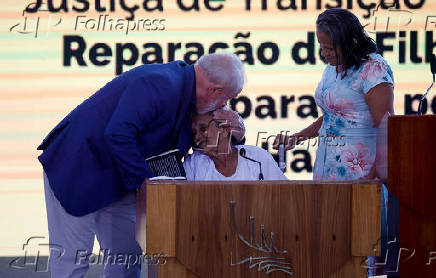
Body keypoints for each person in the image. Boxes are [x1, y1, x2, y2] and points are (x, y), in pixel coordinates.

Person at [37, 52, 246, 278]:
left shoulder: (191, 96)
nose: (225, 105)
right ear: (214, 90)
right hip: (78, 167)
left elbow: (206, 145)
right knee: (71, 263)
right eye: (226, 98)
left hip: (122, 177)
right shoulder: (161, 83)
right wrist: (147, 184)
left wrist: (238, 134)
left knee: (126, 260)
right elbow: (117, 134)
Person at [274, 8, 396, 277]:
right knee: (330, 251)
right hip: (328, 172)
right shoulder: (333, 68)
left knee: (359, 254)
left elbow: (387, 126)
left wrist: (376, 174)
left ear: (351, 41)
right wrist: (296, 138)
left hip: (360, 175)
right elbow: (331, 117)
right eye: (321, 46)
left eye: (330, 47)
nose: (324, 53)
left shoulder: (373, 69)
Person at [184, 109, 287, 181]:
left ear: (225, 129)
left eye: (203, 129)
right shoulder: (193, 164)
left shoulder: (258, 158)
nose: (197, 137)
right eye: (194, 132)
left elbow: (285, 194)